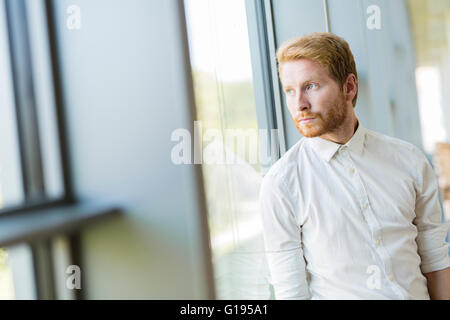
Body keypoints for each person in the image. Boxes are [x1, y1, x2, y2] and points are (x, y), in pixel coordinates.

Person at [259, 32, 450, 299]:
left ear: (349, 87)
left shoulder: (410, 160)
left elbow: (434, 257)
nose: (299, 104)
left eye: (311, 86)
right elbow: (291, 291)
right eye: (290, 91)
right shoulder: (281, 184)